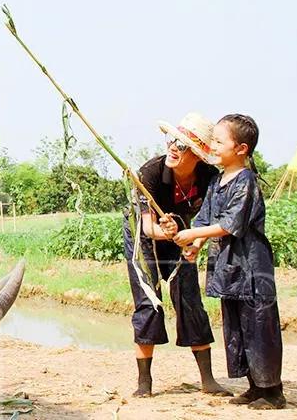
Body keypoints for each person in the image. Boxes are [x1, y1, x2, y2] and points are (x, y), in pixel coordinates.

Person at [173, 114, 286, 410]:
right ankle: (254, 386)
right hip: (228, 267)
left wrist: (193, 234)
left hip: (251, 266)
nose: (212, 146)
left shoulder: (245, 181)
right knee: (238, 327)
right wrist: (196, 245)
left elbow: (229, 224)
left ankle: (272, 392)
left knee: (259, 327)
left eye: (219, 141)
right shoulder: (217, 181)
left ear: (241, 149)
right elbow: (206, 219)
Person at [123, 112, 230, 398]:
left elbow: (210, 221)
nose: (173, 147)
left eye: (182, 145)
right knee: (149, 302)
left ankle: (208, 380)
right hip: (143, 236)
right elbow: (148, 228)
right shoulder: (149, 174)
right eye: (172, 140)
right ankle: (144, 382)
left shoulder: (210, 178)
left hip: (182, 231)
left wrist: (195, 244)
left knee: (189, 298)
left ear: (198, 154)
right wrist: (169, 232)